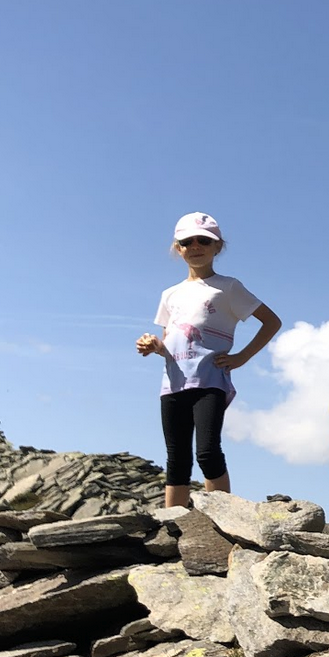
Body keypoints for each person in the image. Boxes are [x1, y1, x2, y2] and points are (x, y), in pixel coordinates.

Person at [135, 212, 281, 508]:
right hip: (173, 383)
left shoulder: (228, 287)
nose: (196, 246)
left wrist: (242, 357)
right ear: (178, 248)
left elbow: (271, 322)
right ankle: (173, 524)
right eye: (187, 241)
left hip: (210, 379)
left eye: (204, 240)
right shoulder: (169, 294)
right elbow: (170, 341)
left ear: (218, 246)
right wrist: (154, 345)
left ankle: (225, 518)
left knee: (207, 451)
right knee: (176, 457)